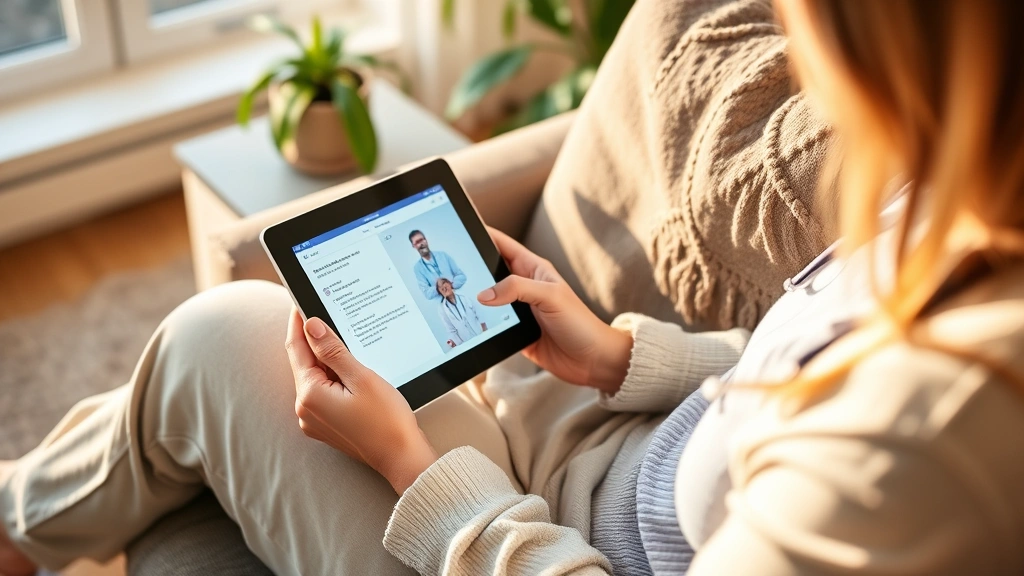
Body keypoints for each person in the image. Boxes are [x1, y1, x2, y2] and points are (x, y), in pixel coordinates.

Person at [5, 1, 1024, 575]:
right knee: (287, 348)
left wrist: (413, 469)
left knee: (220, 338)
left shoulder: (933, 436)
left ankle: (16, 524)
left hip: (547, 546)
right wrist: (620, 355)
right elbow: (810, 364)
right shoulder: (970, 195)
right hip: (586, 467)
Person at [409, 229, 465, 302]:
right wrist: (440, 287)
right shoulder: (418, 268)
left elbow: (461, 276)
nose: (421, 244)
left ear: (426, 240)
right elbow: (427, 294)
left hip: (460, 298)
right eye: (417, 242)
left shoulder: (443, 255)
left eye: (421, 240)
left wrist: (449, 285)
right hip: (443, 304)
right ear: (413, 246)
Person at [436, 277, 486, 347]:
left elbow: (479, 314)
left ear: (450, 284)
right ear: (440, 292)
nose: (443, 287)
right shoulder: (443, 309)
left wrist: (485, 331)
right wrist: (460, 345)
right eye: (440, 287)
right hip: (467, 342)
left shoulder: (465, 297)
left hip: (480, 333)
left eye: (444, 283)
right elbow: (451, 329)